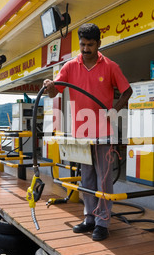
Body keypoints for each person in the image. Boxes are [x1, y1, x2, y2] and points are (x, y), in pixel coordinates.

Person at [43, 23, 132, 241]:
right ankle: (89, 217)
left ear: (99, 44)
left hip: (103, 132)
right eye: (82, 44)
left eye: (90, 45)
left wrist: (114, 110)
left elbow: (127, 91)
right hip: (81, 132)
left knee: (103, 178)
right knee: (87, 177)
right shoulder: (70, 66)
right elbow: (55, 92)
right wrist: (49, 85)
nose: (85, 49)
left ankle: (103, 221)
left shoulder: (110, 66)